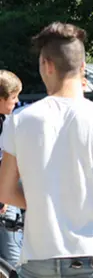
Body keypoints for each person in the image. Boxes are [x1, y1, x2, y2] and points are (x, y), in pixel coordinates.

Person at [0, 22, 93, 277]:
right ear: (82, 66)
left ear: (47, 65)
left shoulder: (18, 121)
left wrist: (45, 199)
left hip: (38, 259)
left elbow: (5, 191)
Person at [0, 71, 22, 266]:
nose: (16, 102)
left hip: (6, 191)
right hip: (4, 196)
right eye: (13, 97)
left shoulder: (5, 121)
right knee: (13, 256)